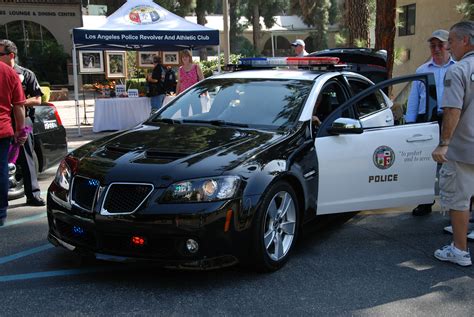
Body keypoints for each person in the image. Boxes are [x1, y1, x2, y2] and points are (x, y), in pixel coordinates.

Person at [432, 21, 474, 267]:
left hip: (463, 148)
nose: (448, 46)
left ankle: (459, 250)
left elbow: (452, 109)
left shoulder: (457, 70)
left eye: (451, 41)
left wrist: (445, 143)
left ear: (465, 41)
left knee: (459, 200)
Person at [405, 29, 456, 216]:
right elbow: (413, 99)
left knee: (451, 162)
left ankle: (452, 205)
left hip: (451, 119)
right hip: (427, 119)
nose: (436, 49)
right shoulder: (422, 70)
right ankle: (424, 202)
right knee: (423, 162)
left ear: (448, 45)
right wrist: (410, 123)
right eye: (432, 45)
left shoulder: (457, 67)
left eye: (440, 45)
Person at [0, 39, 45, 207]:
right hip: (3, 121)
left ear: (11, 55)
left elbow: (38, 99)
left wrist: (19, 103)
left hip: (22, 120)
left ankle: (33, 195)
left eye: (0, 54)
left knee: (26, 158)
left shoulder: (26, 74)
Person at [0, 62, 27, 226]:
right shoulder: (8, 72)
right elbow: (19, 105)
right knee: (1, 170)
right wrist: (20, 130)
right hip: (3, 130)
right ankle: (1, 212)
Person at [176, 49, 204, 117]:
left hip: (195, 94)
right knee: (184, 115)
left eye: (186, 56)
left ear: (189, 57)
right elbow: (179, 83)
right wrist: (176, 95)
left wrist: (203, 91)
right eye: (183, 57)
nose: (184, 58)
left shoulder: (196, 67)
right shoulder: (180, 69)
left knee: (197, 114)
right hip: (184, 95)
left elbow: (202, 79)